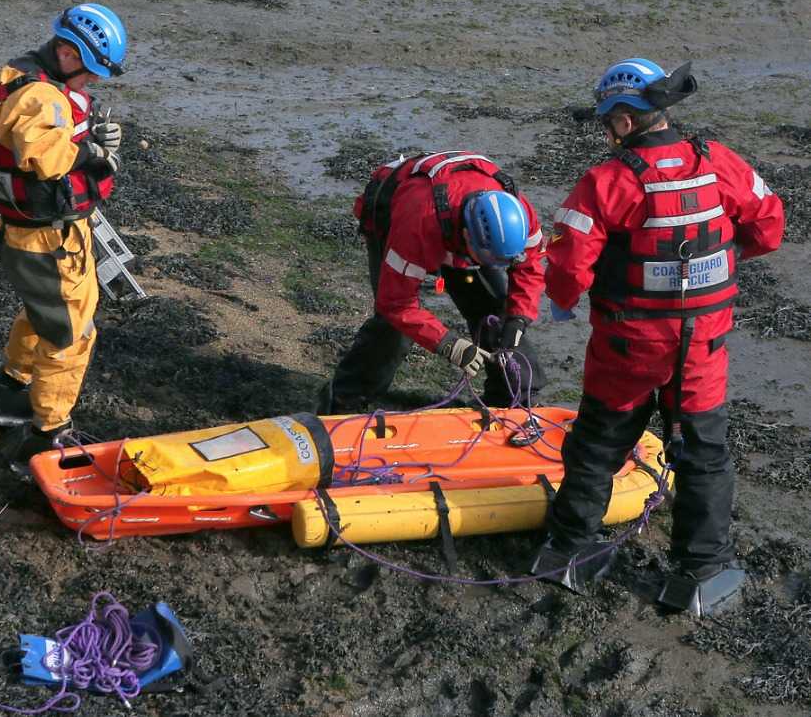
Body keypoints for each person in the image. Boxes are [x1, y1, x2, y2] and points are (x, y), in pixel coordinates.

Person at [529, 59, 785, 614]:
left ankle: (569, 554)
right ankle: (701, 576)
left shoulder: (606, 183)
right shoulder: (722, 163)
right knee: (704, 456)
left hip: (628, 348)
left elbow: (568, 270)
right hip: (703, 346)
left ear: (624, 122)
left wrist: (564, 303)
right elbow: (769, 227)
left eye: (606, 122)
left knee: (597, 447)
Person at [0, 3, 127, 472]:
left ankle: (11, 384)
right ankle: (49, 433)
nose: (94, 81)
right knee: (71, 332)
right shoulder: (41, 98)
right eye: (91, 71)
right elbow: (50, 160)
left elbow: (52, 134)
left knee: (43, 312)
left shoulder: (27, 77)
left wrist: (93, 132)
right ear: (65, 52)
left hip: (30, 233)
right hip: (47, 239)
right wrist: (95, 150)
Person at [317, 151, 547, 415]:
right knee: (393, 327)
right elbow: (396, 304)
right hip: (395, 213)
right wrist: (449, 344)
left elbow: (530, 268)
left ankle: (513, 399)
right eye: (486, 259)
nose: (492, 266)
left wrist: (518, 319)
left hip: (457, 224)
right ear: (466, 237)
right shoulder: (416, 224)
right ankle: (345, 399)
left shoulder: (519, 216)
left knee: (497, 309)